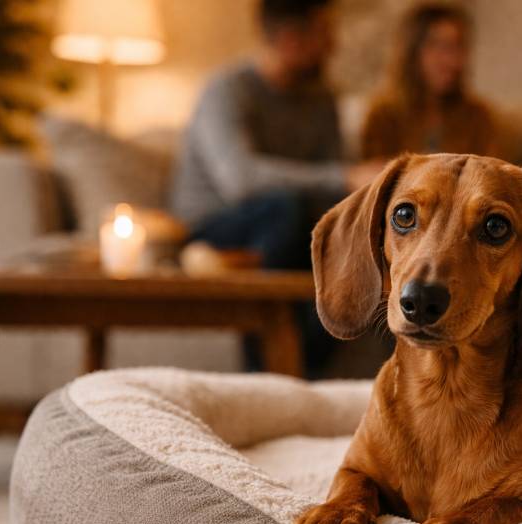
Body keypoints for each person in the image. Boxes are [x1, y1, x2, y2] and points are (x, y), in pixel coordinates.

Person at [170, 0, 383, 375]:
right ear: (290, 39)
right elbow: (241, 181)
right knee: (284, 207)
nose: (333, 46)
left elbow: (334, 188)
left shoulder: (322, 99)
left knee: (342, 238)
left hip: (291, 224)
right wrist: (345, 177)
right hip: (212, 229)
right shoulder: (228, 91)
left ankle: (297, 368)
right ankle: (267, 371)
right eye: (324, 34)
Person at [360, 3, 498, 160]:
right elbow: (375, 176)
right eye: (437, 46)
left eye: (457, 47)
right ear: (412, 52)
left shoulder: (478, 116)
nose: (450, 60)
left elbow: (488, 174)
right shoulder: (383, 116)